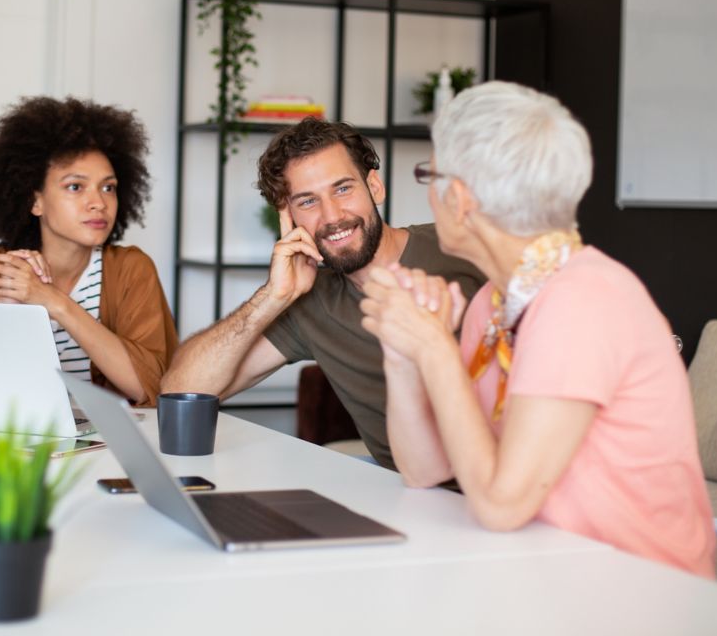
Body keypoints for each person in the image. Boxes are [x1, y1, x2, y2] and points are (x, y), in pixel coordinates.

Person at [359, 81, 716, 576]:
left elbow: (502, 506)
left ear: (460, 199)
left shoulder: (582, 302)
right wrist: (403, 351)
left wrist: (436, 348)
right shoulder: (496, 302)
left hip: (639, 592)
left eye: (429, 175)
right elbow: (425, 469)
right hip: (540, 570)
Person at [161, 118, 485, 469]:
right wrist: (273, 296)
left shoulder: (462, 249)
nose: (332, 216)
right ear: (288, 217)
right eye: (307, 201)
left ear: (374, 186)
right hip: (404, 492)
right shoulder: (311, 301)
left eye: (343, 189)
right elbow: (181, 390)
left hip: (503, 488)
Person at [0, 96, 177, 405]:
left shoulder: (131, 268)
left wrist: (53, 301)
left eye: (109, 187)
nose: (99, 203)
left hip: (102, 445)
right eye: (76, 187)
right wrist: (4, 309)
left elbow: (149, 387)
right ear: (35, 200)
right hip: (3, 444)